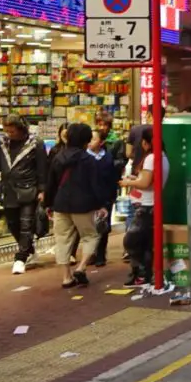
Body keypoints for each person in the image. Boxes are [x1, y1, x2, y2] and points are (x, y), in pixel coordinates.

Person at [44, 123, 110, 289]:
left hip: (61, 204)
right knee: (91, 236)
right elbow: (96, 185)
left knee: (62, 240)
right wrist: (102, 204)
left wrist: (48, 204)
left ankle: (66, 277)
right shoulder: (88, 160)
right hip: (84, 205)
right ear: (86, 140)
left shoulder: (58, 157)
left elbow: (50, 183)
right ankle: (81, 267)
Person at [0, 116, 48, 274]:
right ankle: (29, 250)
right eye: (7, 130)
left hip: (28, 189)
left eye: (12, 130)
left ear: (20, 129)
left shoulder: (36, 143)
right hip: (8, 190)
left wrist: (42, 190)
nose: (9, 133)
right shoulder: (2, 144)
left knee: (26, 224)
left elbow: (42, 169)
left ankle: (20, 258)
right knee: (13, 224)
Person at [118, 129, 169, 285]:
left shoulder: (151, 158)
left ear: (145, 143)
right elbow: (149, 180)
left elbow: (145, 183)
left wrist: (129, 182)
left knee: (131, 241)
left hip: (146, 205)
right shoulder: (163, 157)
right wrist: (136, 178)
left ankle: (140, 272)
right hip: (152, 204)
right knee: (146, 243)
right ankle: (144, 274)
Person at [88, 112, 124, 267]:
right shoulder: (90, 142)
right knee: (90, 222)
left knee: (103, 221)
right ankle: (92, 252)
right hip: (90, 188)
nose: (101, 127)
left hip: (107, 186)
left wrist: (105, 164)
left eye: (104, 125)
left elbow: (121, 161)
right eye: (99, 124)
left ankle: (101, 253)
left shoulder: (115, 142)